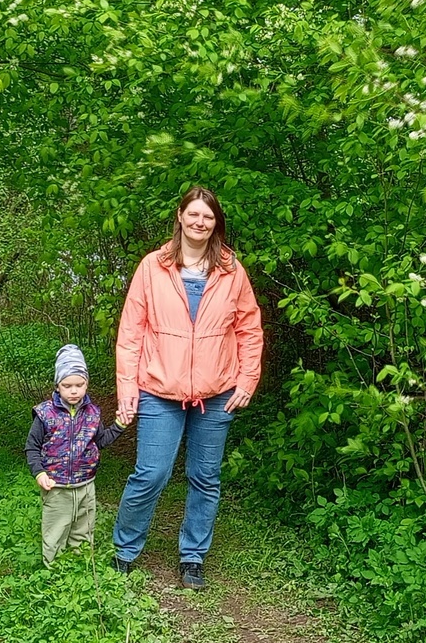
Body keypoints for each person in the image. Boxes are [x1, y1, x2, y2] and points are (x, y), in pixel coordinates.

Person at [111, 186, 264, 590]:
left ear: (216, 223)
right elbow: (131, 332)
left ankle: (192, 557)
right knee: (151, 473)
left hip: (217, 392)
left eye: (208, 216)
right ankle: (124, 550)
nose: (200, 222)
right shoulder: (152, 267)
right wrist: (127, 388)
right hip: (159, 389)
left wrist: (247, 379)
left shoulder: (232, 271)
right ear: (179, 216)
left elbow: (249, 329)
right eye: (193, 214)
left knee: (205, 477)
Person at [26, 343, 129, 566]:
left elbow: (99, 441)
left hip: (86, 485)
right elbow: (32, 447)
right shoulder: (45, 414)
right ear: (57, 385)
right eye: (67, 385)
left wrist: (119, 426)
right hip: (56, 486)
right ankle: (53, 569)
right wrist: (39, 473)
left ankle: (80, 565)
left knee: (83, 528)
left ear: (86, 384)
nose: (74, 391)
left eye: (79, 385)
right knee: (56, 529)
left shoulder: (92, 413)